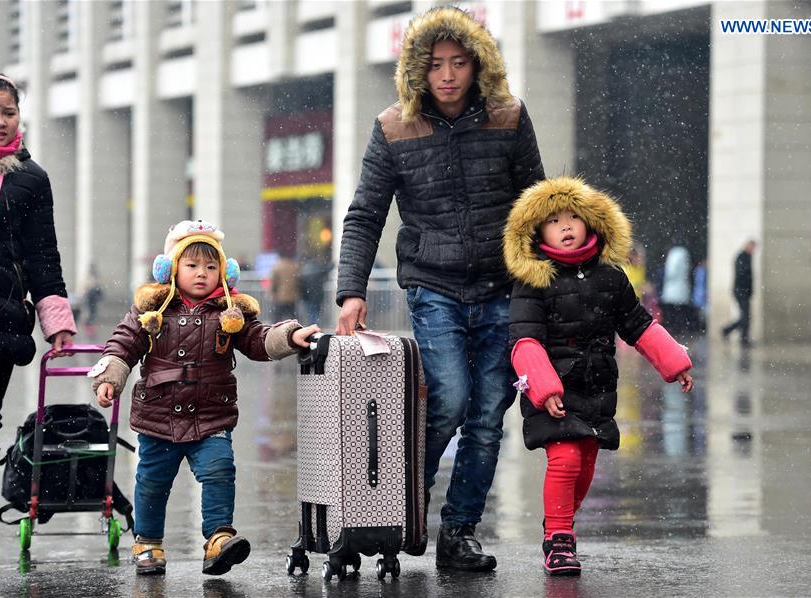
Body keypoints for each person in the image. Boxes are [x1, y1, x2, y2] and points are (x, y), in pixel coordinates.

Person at [335, 6, 545, 571]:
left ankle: (459, 532)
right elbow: (364, 215)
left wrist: (549, 278)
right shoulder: (393, 126)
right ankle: (402, 511)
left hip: (503, 286)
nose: (448, 75)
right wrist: (351, 290)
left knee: (487, 413)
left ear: (479, 66)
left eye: (458, 63)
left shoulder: (508, 116)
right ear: (417, 72)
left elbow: (538, 203)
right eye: (435, 65)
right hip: (435, 285)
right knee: (449, 398)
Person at [89, 220, 319, 576]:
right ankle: (147, 542)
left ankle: (217, 539)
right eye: (192, 266)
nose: (202, 274)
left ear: (224, 272)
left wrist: (290, 336)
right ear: (171, 269)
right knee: (151, 482)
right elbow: (123, 343)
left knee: (219, 471)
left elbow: (258, 340)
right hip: (158, 416)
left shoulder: (230, 312)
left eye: (211, 267)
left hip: (210, 415)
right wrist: (111, 376)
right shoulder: (152, 310)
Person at [503, 177, 693, 576]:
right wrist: (543, 387)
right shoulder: (534, 280)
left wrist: (675, 363)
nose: (566, 225)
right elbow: (524, 340)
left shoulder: (611, 277)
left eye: (574, 216)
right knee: (566, 459)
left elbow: (638, 325)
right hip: (553, 389)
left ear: (593, 222)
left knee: (585, 462)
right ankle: (558, 538)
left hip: (597, 386)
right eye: (555, 220)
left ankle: (560, 524)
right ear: (538, 231)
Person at [0, 70, 77, 573]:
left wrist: (56, 320)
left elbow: (44, 256)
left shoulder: (30, 179)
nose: (0, 122)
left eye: (8, 112)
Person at [722, 240, 756, 346]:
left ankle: (729, 330)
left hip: (744, 292)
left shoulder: (747, 257)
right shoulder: (742, 257)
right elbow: (743, 275)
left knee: (745, 316)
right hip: (741, 291)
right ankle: (741, 337)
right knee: (746, 316)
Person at [659, 245, 693, 334]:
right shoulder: (683, 253)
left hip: (672, 292)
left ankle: (673, 330)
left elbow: (671, 272)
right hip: (681, 292)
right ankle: (678, 330)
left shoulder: (675, 254)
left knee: (672, 315)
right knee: (678, 315)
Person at [269, 255, 299, 323]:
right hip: (292, 296)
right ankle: (293, 330)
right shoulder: (294, 266)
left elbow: (274, 282)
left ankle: (276, 331)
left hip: (280, 296)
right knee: (292, 317)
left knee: (277, 318)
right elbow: (298, 281)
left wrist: (273, 292)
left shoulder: (277, 267)